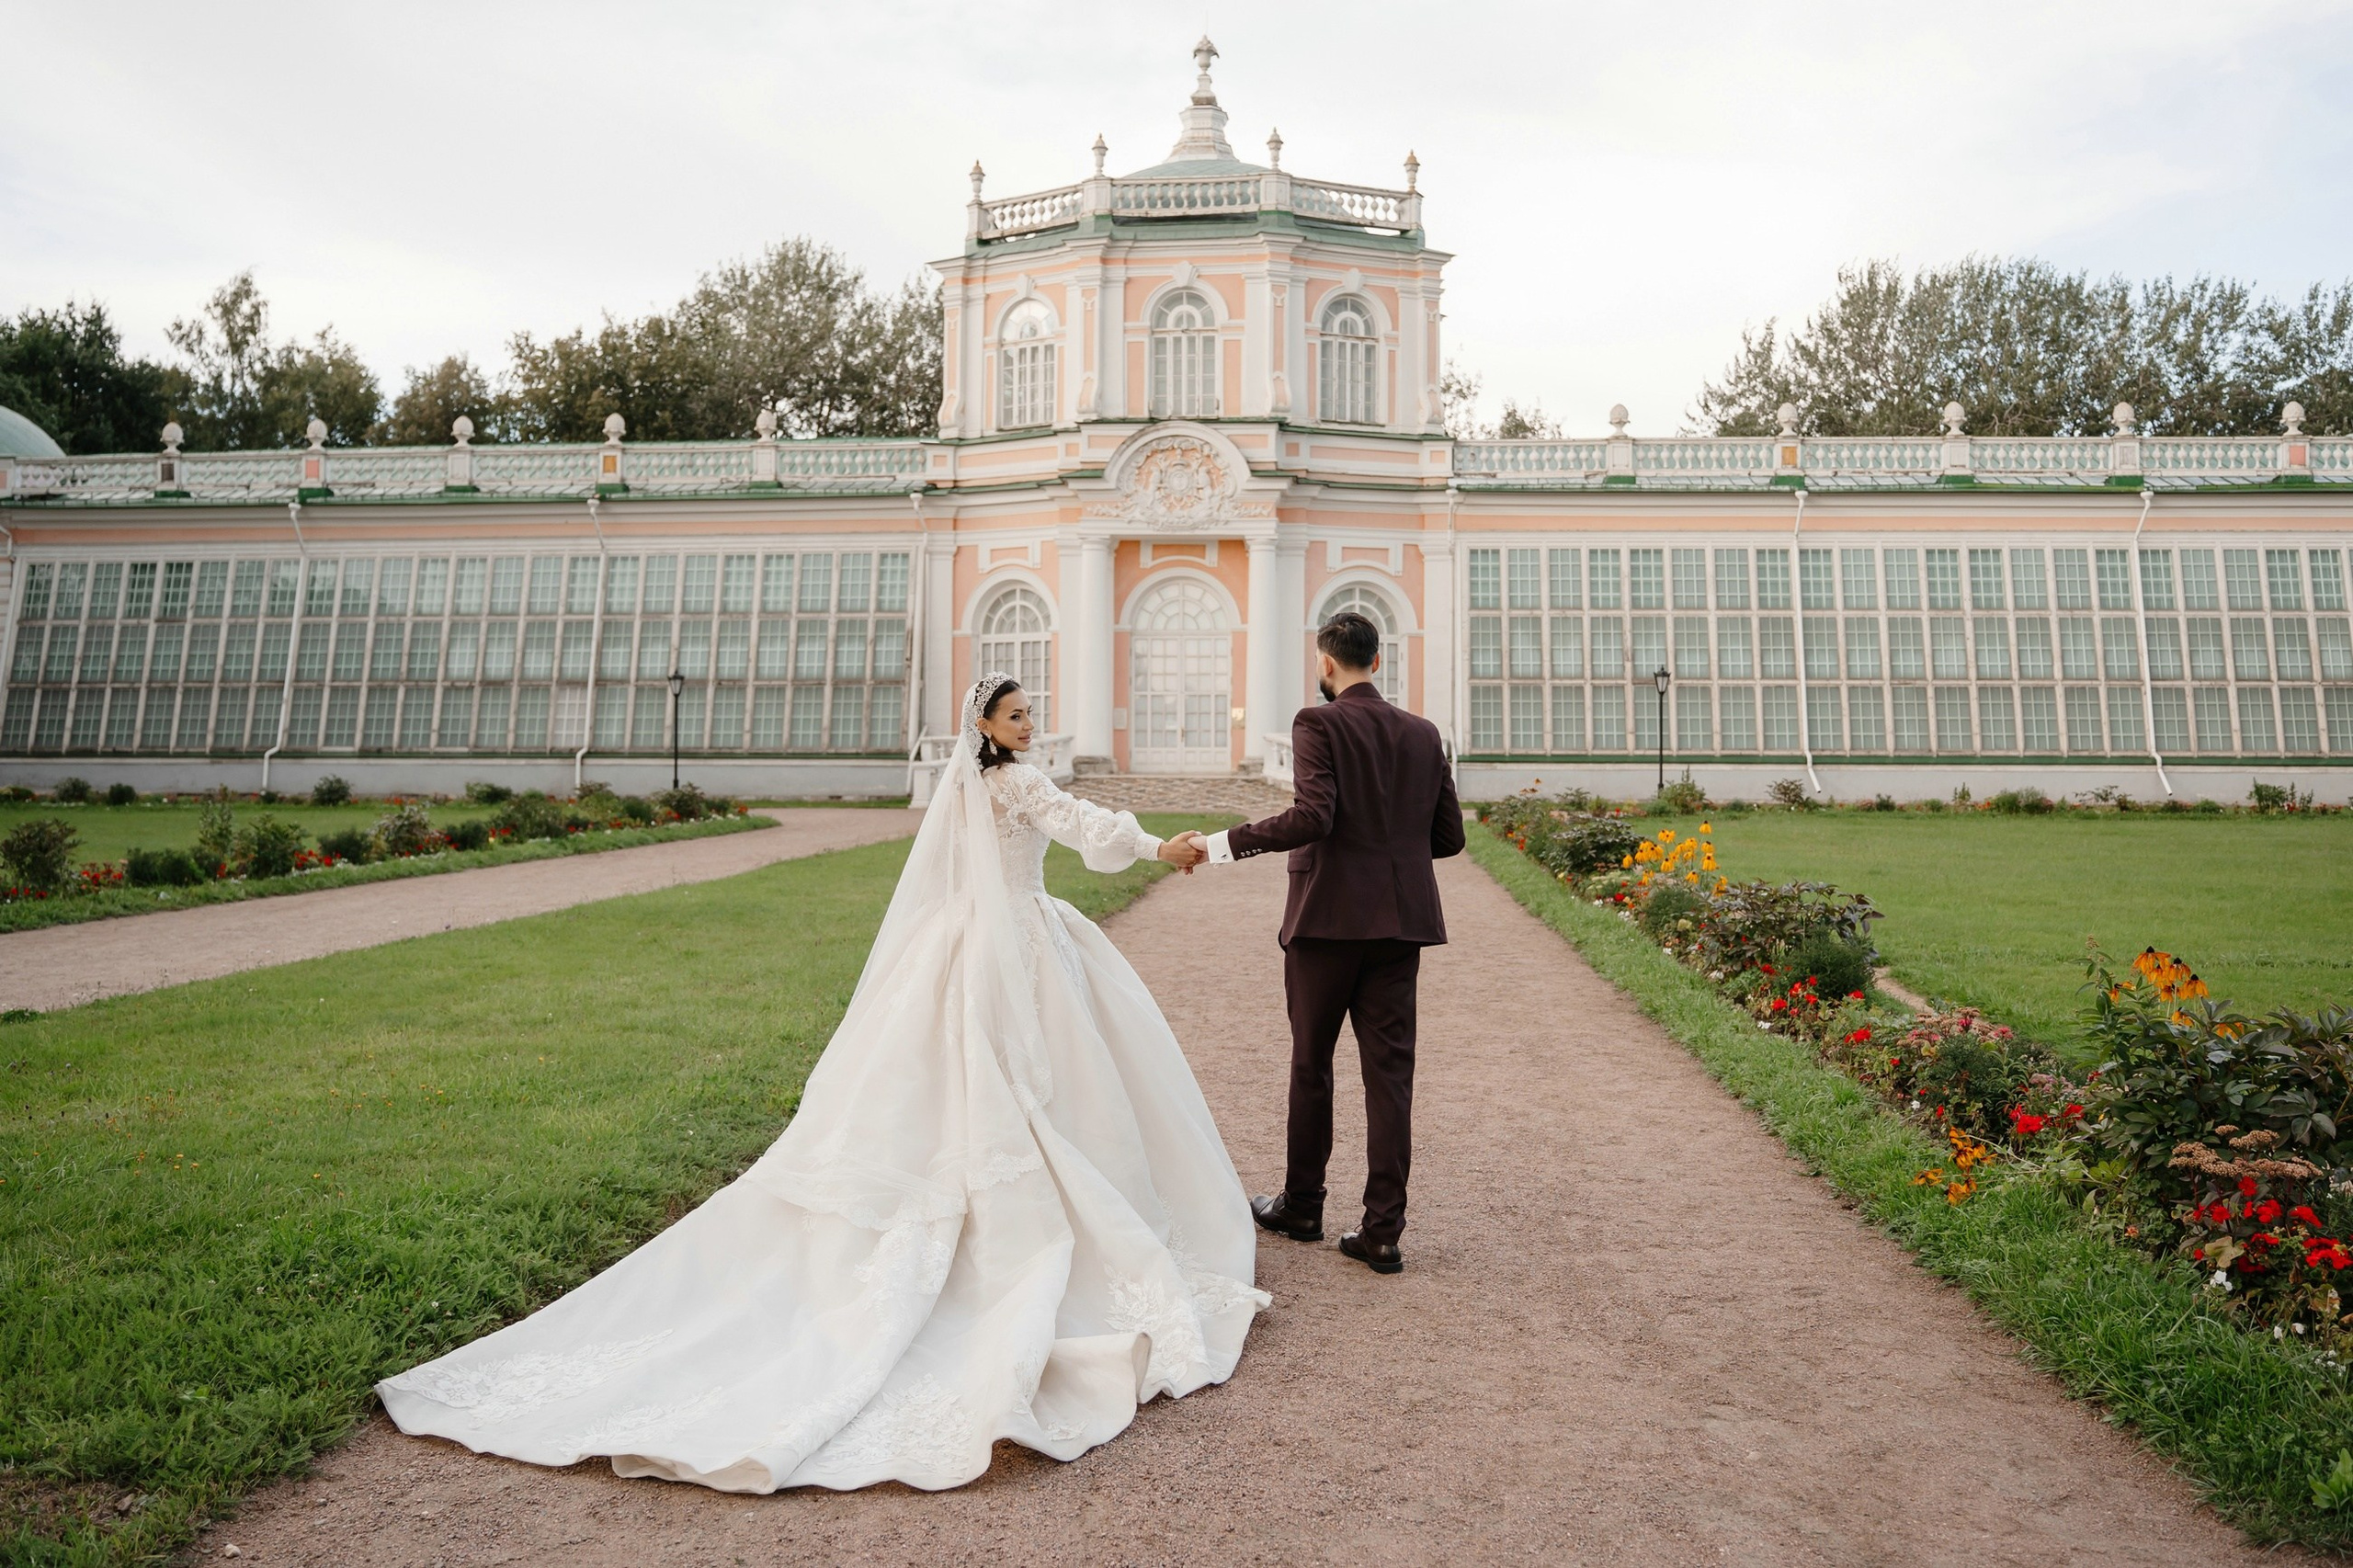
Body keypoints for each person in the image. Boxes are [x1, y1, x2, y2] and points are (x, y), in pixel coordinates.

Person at [378, 675, 1263, 1493]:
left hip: (966, 947)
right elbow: (1081, 825)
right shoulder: (1016, 784)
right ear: (986, 729)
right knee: (1040, 1087)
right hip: (1017, 946)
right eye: (1018, 715)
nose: (1031, 725)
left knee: (965, 1089)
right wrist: (1161, 845)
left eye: (1031, 713)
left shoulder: (967, 788)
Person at [1196, 611, 1464, 1275]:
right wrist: (1394, 847)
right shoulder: (1425, 733)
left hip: (1326, 921)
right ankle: (1381, 1233)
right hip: (1401, 924)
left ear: (1326, 664)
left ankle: (1304, 1207)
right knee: (1390, 1079)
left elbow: (1315, 815)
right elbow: (1448, 838)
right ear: (1377, 660)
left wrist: (1225, 843)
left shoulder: (1317, 723)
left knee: (1312, 1064)